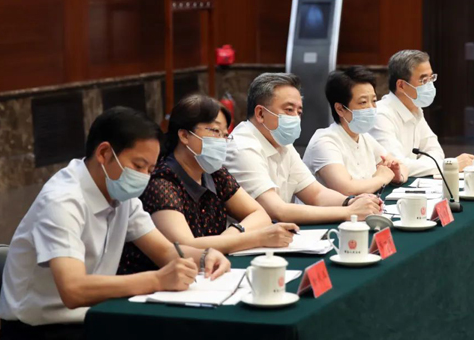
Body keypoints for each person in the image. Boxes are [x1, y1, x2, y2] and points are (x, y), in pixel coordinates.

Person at [0, 107, 230, 340]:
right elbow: (73, 290)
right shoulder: (62, 201)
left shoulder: (119, 193)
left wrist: (204, 257)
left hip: (94, 317)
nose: (144, 177)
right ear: (104, 153)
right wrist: (156, 280)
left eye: (150, 169)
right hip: (38, 330)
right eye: (138, 166)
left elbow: (165, 252)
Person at [118, 95, 297, 271]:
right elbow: (185, 246)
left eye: (225, 134)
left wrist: (230, 236)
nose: (222, 140)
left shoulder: (214, 172)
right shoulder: (161, 181)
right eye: (215, 131)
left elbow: (260, 214)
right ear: (184, 135)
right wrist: (257, 238)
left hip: (206, 270)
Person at [225, 73, 384, 224]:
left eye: (299, 112)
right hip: (246, 240)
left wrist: (351, 201)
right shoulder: (242, 147)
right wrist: (349, 212)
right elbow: (277, 210)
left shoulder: (282, 144)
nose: (295, 117)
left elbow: (316, 194)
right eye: (289, 110)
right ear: (260, 113)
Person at [304, 66, 409, 196]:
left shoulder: (364, 138)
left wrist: (397, 175)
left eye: (374, 101)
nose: (371, 108)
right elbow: (346, 189)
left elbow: (401, 166)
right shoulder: (324, 142)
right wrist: (381, 178)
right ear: (340, 109)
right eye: (363, 102)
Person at [369, 50, 474, 177]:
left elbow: (435, 152)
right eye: (424, 80)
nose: (430, 85)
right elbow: (396, 165)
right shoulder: (381, 115)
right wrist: (450, 165)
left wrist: (422, 166)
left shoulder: (416, 109)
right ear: (401, 85)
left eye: (431, 78)